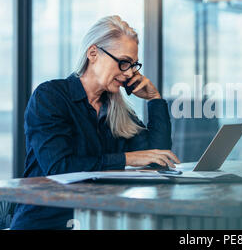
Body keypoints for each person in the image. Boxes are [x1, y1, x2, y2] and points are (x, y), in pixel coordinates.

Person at [10, 15, 180, 230]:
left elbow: (157, 157)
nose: (129, 73)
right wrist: (129, 158)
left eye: (133, 65)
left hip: (96, 221)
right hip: (47, 221)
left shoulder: (118, 111)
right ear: (93, 54)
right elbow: (59, 167)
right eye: (123, 62)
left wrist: (155, 100)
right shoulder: (51, 96)